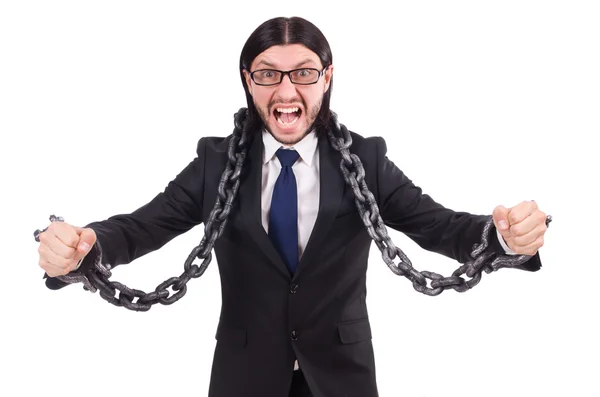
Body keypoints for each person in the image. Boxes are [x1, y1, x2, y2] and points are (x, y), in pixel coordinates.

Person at [34, 16, 549, 397]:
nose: (286, 91)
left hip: (341, 379)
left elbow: (437, 225)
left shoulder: (365, 159)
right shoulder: (215, 161)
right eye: (268, 74)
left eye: (303, 73)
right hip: (244, 377)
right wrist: (84, 247)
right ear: (247, 80)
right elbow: (143, 226)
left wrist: (504, 237)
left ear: (327, 78)